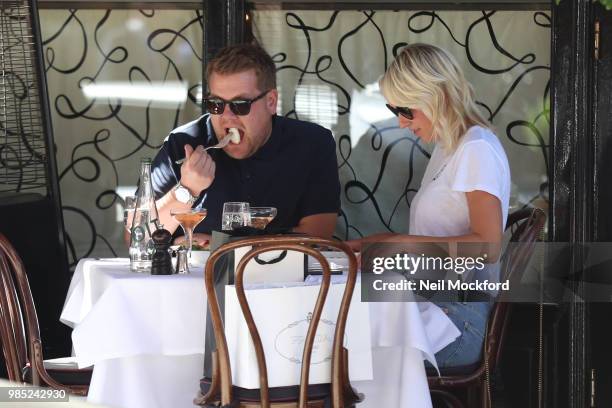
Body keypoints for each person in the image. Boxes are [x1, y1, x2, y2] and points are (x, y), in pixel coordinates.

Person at [348, 43, 511, 368]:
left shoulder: (476, 148)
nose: (402, 123)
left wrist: (401, 245)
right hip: (431, 302)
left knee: (337, 351)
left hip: (455, 321)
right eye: (395, 111)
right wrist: (360, 246)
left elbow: (489, 246)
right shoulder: (451, 147)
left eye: (406, 110)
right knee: (331, 333)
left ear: (435, 96)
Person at [149, 43, 340, 244]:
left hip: (281, 274)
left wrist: (221, 246)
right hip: (197, 275)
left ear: (271, 102)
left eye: (240, 105)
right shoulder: (184, 144)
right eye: (216, 104)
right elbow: (140, 237)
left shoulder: (311, 143)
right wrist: (186, 191)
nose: (226, 116)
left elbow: (317, 236)